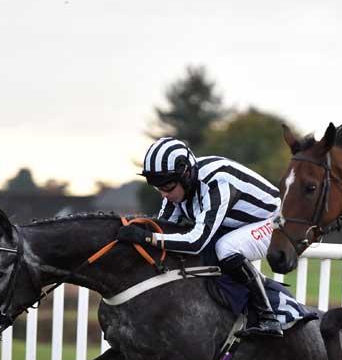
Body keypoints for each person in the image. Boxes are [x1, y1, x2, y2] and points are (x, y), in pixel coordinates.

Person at [118, 136, 284, 337]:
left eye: (168, 187)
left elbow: (195, 242)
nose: (164, 195)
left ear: (186, 174)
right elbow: (162, 228)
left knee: (225, 248)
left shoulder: (217, 182)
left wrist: (147, 238)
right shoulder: (179, 186)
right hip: (240, 224)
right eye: (159, 188)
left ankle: (268, 317)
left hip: (275, 222)